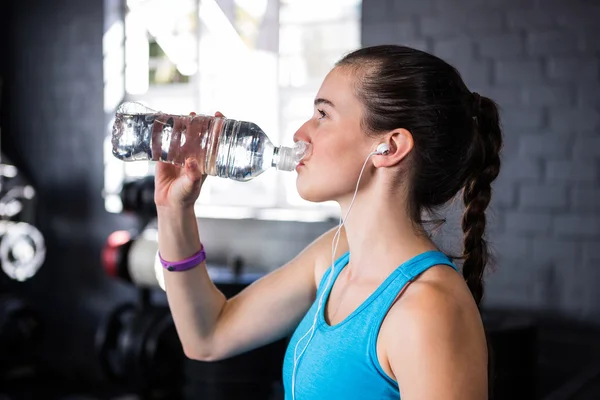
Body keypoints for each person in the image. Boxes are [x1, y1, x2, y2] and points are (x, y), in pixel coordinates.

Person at [154, 44, 503, 400]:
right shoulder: (334, 258)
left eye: (323, 114)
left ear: (390, 147)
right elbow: (207, 337)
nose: (300, 134)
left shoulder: (427, 309)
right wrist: (173, 210)